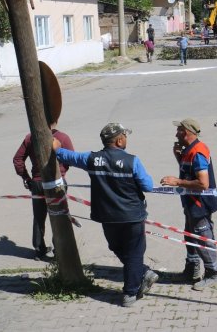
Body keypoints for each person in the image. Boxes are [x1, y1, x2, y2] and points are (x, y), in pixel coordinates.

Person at [53, 123, 158, 307]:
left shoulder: (91, 159)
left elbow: (68, 156)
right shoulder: (132, 161)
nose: (126, 139)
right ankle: (130, 293)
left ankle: (141, 274)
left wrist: (56, 148)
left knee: (116, 247)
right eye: (125, 136)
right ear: (119, 140)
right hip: (132, 215)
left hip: (107, 216)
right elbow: (148, 186)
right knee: (133, 253)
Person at [160, 118, 217, 291]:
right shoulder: (189, 150)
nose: (176, 133)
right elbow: (189, 172)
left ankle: (212, 273)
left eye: (178, 130)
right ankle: (192, 270)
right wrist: (178, 156)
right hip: (190, 203)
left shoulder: (198, 152)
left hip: (199, 204)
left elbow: (203, 183)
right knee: (190, 235)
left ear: (186, 132)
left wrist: (177, 182)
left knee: (203, 238)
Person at [13, 123, 74, 261]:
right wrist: (62, 172)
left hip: (37, 183)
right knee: (59, 216)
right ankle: (59, 250)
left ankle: (39, 250)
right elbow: (70, 158)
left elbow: (17, 159)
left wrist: (27, 178)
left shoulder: (30, 138)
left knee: (39, 217)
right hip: (57, 183)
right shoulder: (63, 138)